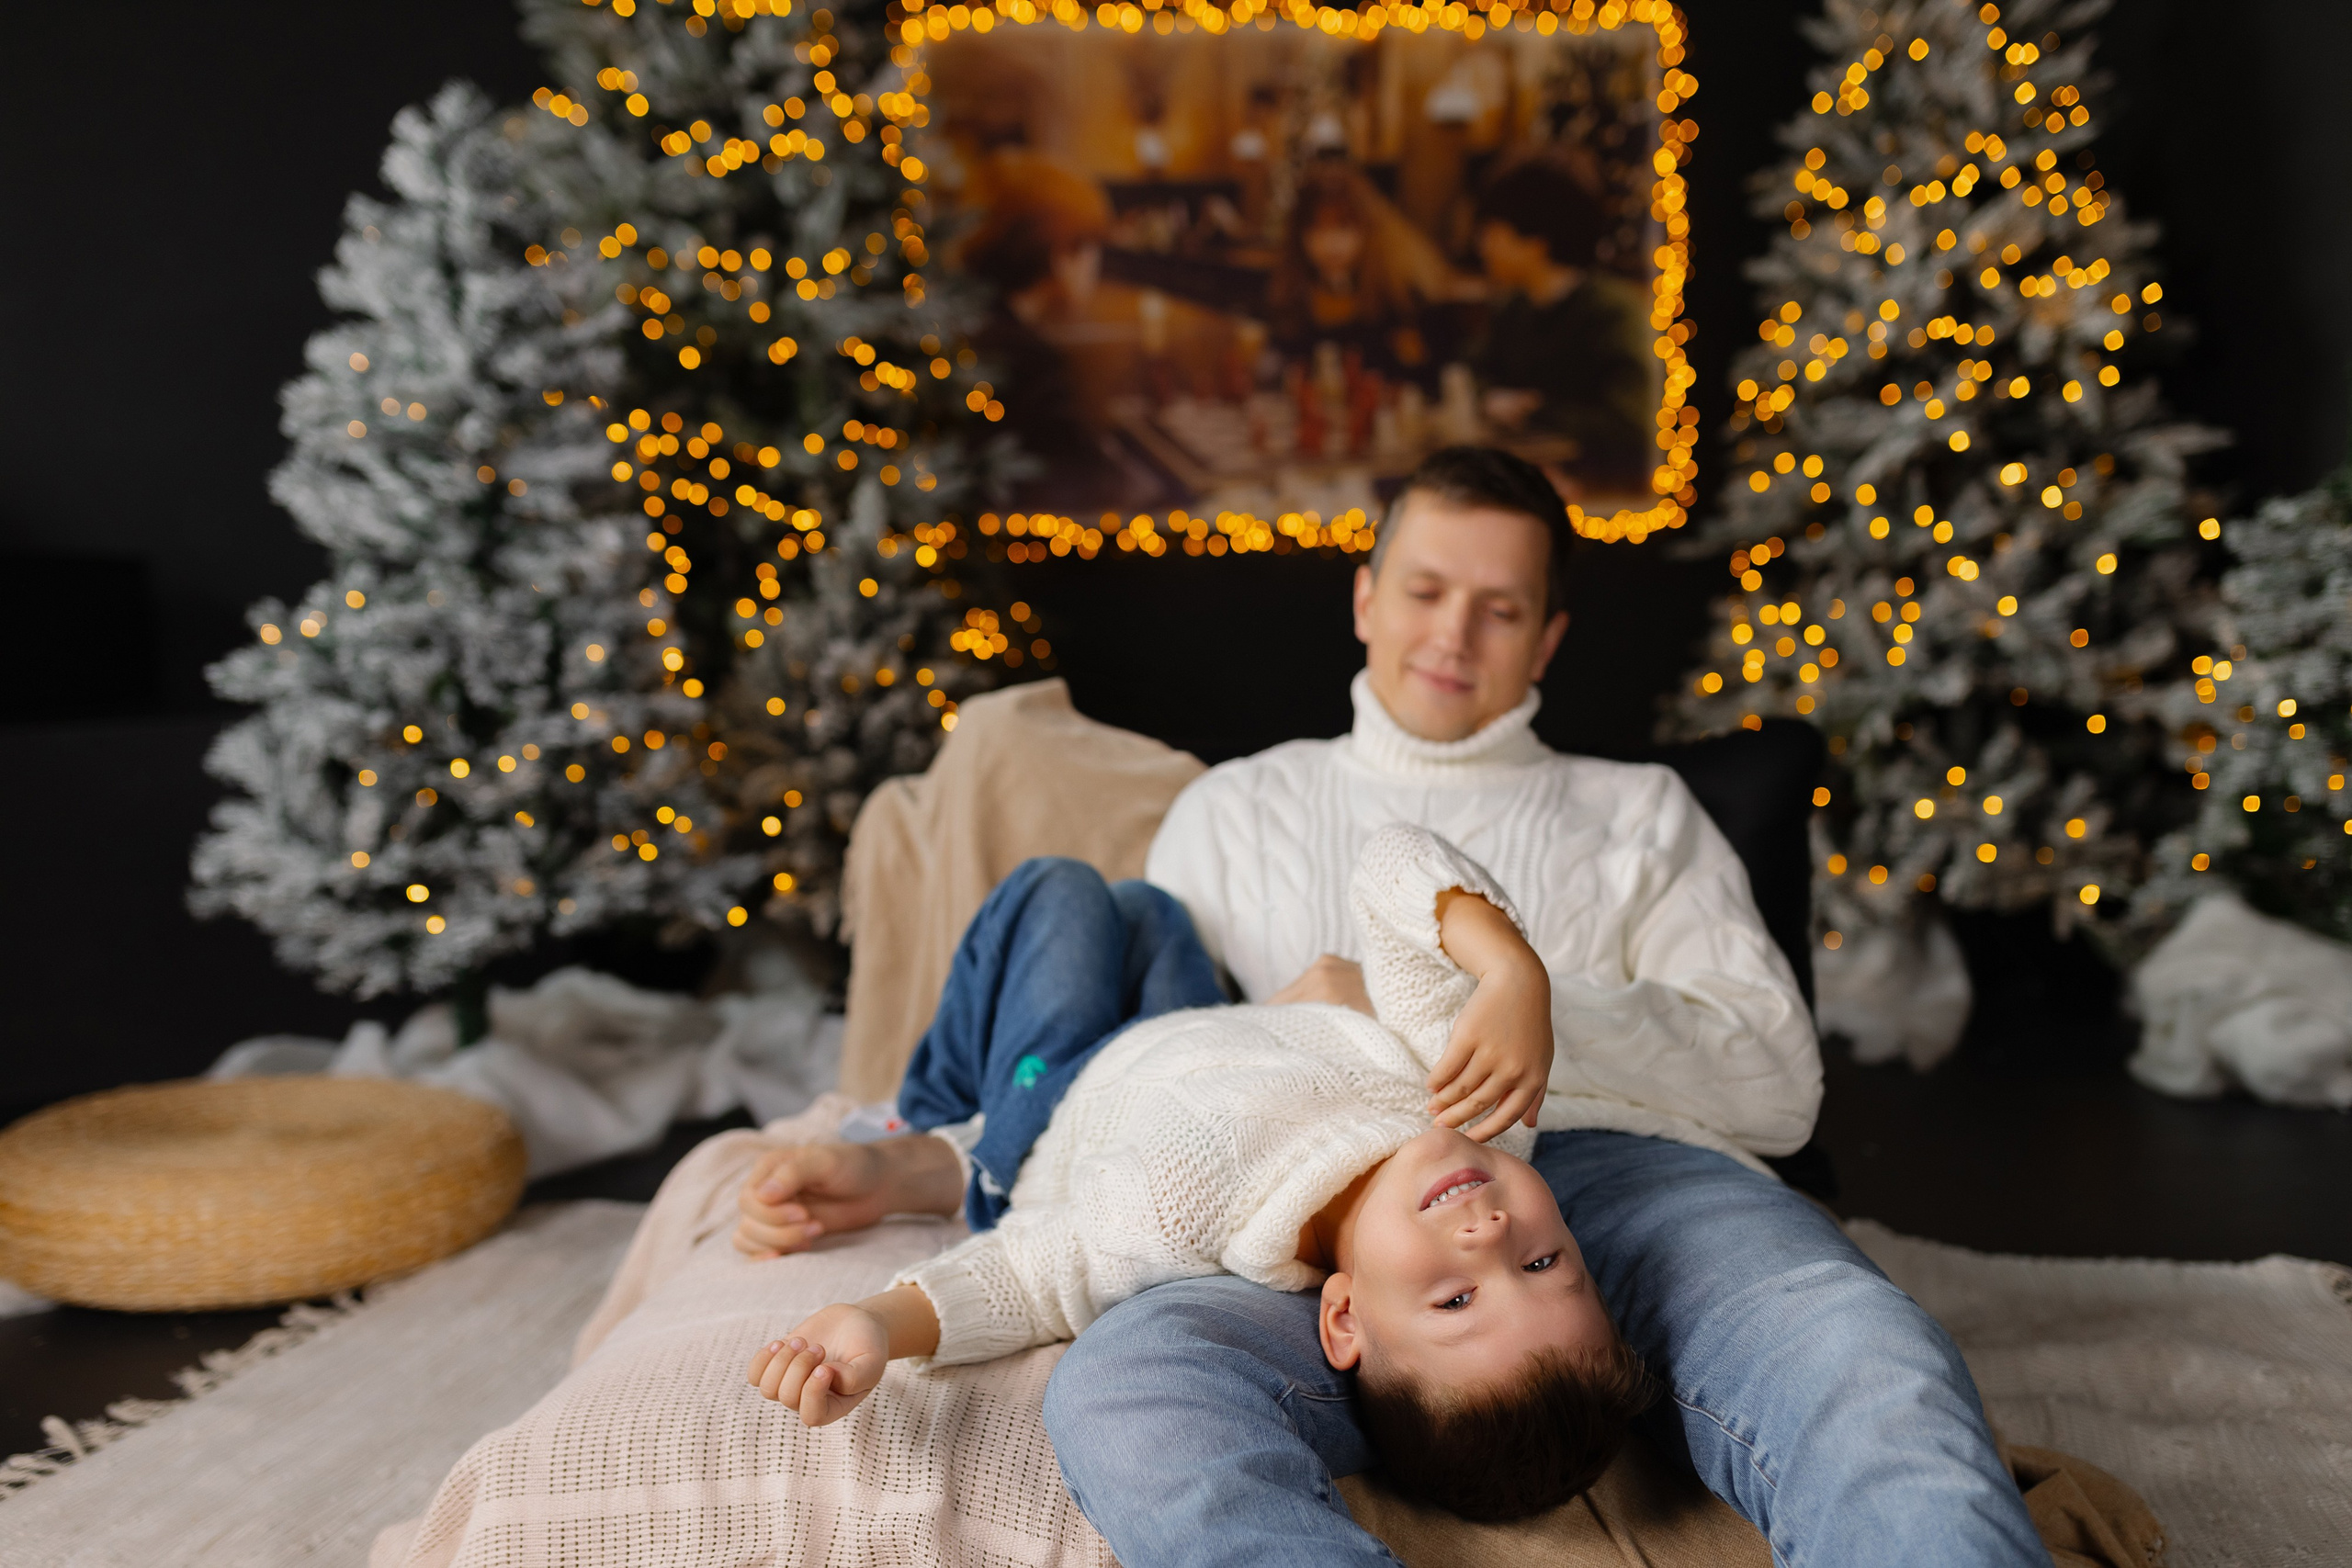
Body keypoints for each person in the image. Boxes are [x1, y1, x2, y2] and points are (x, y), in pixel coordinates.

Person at [740, 446, 2045, 1562]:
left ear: (1548, 634)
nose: (1452, 634)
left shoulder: (1639, 813)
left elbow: (1774, 1080)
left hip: (1619, 1171)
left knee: (1851, 1348)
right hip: (1309, 1236)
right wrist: (943, 1166)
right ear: (1365, 598)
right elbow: (1152, 1093)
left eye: (1499, 606)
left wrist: (1492, 1008)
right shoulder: (1236, 811)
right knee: (1130, 1388)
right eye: (1424, 590)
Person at [741, 829, 1652, 1521]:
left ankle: (950, 1134)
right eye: (1543, 1265)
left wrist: (876, 1323)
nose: (1491, 1237)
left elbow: (1029, 1278)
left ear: (1341, 1314)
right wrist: (1509, 972)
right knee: (1150, 911)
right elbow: (1392, 862)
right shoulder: (1481, 1109)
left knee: (1059, 894)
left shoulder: (1179, 1214)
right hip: (1204, 1027)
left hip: (1063, 1103)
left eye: (1455, 1301)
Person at [1465, 162, 1654, 494]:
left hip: (1607, 492)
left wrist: (1535, 411)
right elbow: (1473, 376)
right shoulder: (1515, 309)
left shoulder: (1611, 310)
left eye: (1493, 231)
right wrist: (1491, 399)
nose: (1482, 245)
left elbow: (1632, 424)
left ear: (1536, 242)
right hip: (1527, 483)